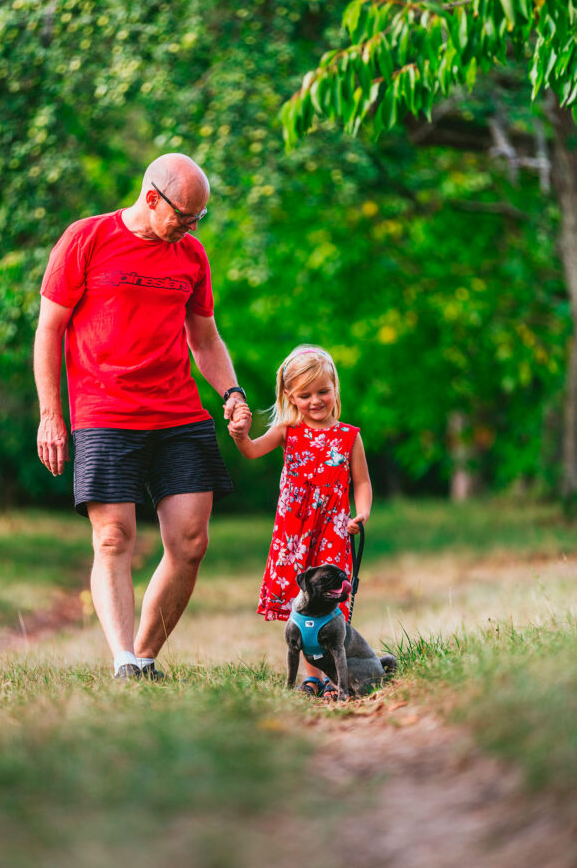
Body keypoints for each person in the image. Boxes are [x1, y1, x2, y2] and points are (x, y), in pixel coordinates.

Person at [34, 153, 248, 680]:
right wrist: (50, 414)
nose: (190, 228)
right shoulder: (87, 238)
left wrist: (232, 393)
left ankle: (143, 658)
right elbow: (49, 330)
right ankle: (123, 658)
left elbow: (204, 337)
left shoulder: (191, 257)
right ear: (152, 197)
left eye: (199, 219)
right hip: (105, 412)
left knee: (191, 542)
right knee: (113, 538)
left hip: (177, 411)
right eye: (183, 216)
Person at [228, 345, 371, 696]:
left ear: (335, 387)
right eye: (305, 394)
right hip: (295, 535)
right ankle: (313, 677)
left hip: (333, 533)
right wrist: (240, 435)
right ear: (291, 396)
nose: (316, 400)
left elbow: (362, 482)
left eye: (323, 391)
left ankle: (333, 677)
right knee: (302, 603)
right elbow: (250, 450)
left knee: (329, 601)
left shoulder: (349, 436)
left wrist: (361, 513)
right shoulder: (287, 432)